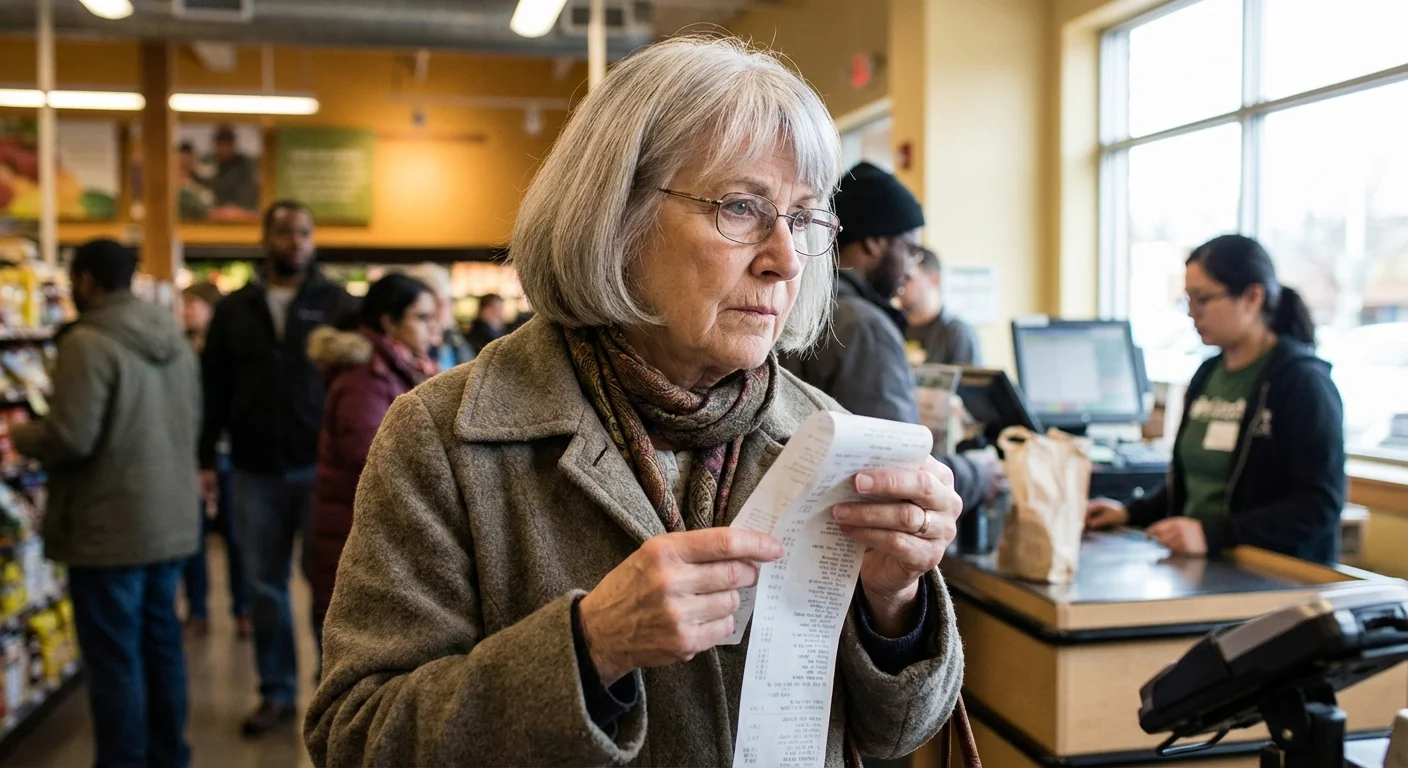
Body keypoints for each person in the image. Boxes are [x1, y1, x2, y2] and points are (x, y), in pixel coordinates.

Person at [305, 37, 965, 767]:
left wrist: (894, 603)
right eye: (742, 208)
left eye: (804, 219)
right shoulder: (443, 438)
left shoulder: (824, 436)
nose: (784, 260)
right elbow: (357, 737)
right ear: (617, 218)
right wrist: (589, 649)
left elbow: (895, 732)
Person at [13, 239, 200, 768]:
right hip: (169, 519)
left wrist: (22, 435)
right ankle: (170, 756)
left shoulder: (88, 342)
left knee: (115, 656)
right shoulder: (176, 339)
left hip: (107, 523)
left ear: (87, 282)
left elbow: (72, 435)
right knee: (161, 645)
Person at [1087, 234, 1345, 564]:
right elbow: (1193, 489)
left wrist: (1212, 535)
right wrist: (1128, 513)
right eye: (1188, 301)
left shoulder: (1301, 382)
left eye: (1203, 299)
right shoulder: (1208, 374)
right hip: (1200, 565)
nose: (1192, 313)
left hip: (1267, 573)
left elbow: (1319, 505)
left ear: (1252, 297)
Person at [200, 200, 356, 737]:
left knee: (329, 586)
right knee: (263, 585)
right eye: (286, 232)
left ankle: (329, 689)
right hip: (253, 469)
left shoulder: (336, 302)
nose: (296, 241)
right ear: (265, 237)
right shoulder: (234, 308)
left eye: (304, 232)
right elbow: (212, 389)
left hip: (320, 468)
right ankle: (276, 693)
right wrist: (203, 458)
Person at [780, 161, 986, 515]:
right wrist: (981, 474)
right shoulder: (865, 328)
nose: (911, 266)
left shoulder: (797, 304)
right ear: (875, 242)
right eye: (909, 249)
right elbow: (902, 469)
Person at [307, 274, 437, 646]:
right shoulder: (366, 377)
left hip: (368, 530)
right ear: (389, 321)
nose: (431, 328)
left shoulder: (400, 365)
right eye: (421, 317)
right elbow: (373, 458)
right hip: (353, 532)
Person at [180, 281, 252, 639]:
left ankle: (244, 609)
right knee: (193, 538)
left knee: (237, 538)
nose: (187, 310)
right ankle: (197, 609)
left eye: (194, 303)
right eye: (184, 304)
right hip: (195, 455)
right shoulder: (179, 351)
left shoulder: (230, 350)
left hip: (231, 454)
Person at [901, 247, 982, 366]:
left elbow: (970, 383)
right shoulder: (892, 326)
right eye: (899, 278)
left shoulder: (957, 333)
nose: (901, 285)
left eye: (908, 278)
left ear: (934, 279)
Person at [405, 262, 474, 371]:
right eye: (438, 303)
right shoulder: (408, 349)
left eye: (447, 301)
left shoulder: (454, 341)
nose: (446, 308)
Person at [197, 125, 260, 221]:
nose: (223, 150)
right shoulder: (207, 162)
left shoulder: (244, 165)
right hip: (212, 217)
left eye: (226, 145)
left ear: (232, 145)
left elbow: (249, 193)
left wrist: (235, 211)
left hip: (241, 215)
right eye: (219, 145)